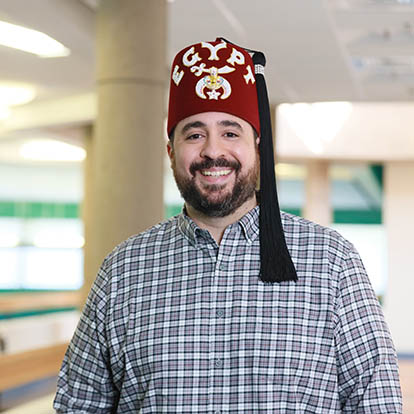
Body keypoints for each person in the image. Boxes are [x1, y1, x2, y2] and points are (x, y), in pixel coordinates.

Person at [54, 38, 402, 413]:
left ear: (257, 145)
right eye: (194, 133)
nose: (213, 151)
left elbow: (376, 402)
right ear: (171, 150)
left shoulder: (333, 263)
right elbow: (80, 406)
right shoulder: (123, 271)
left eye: (230, 132)